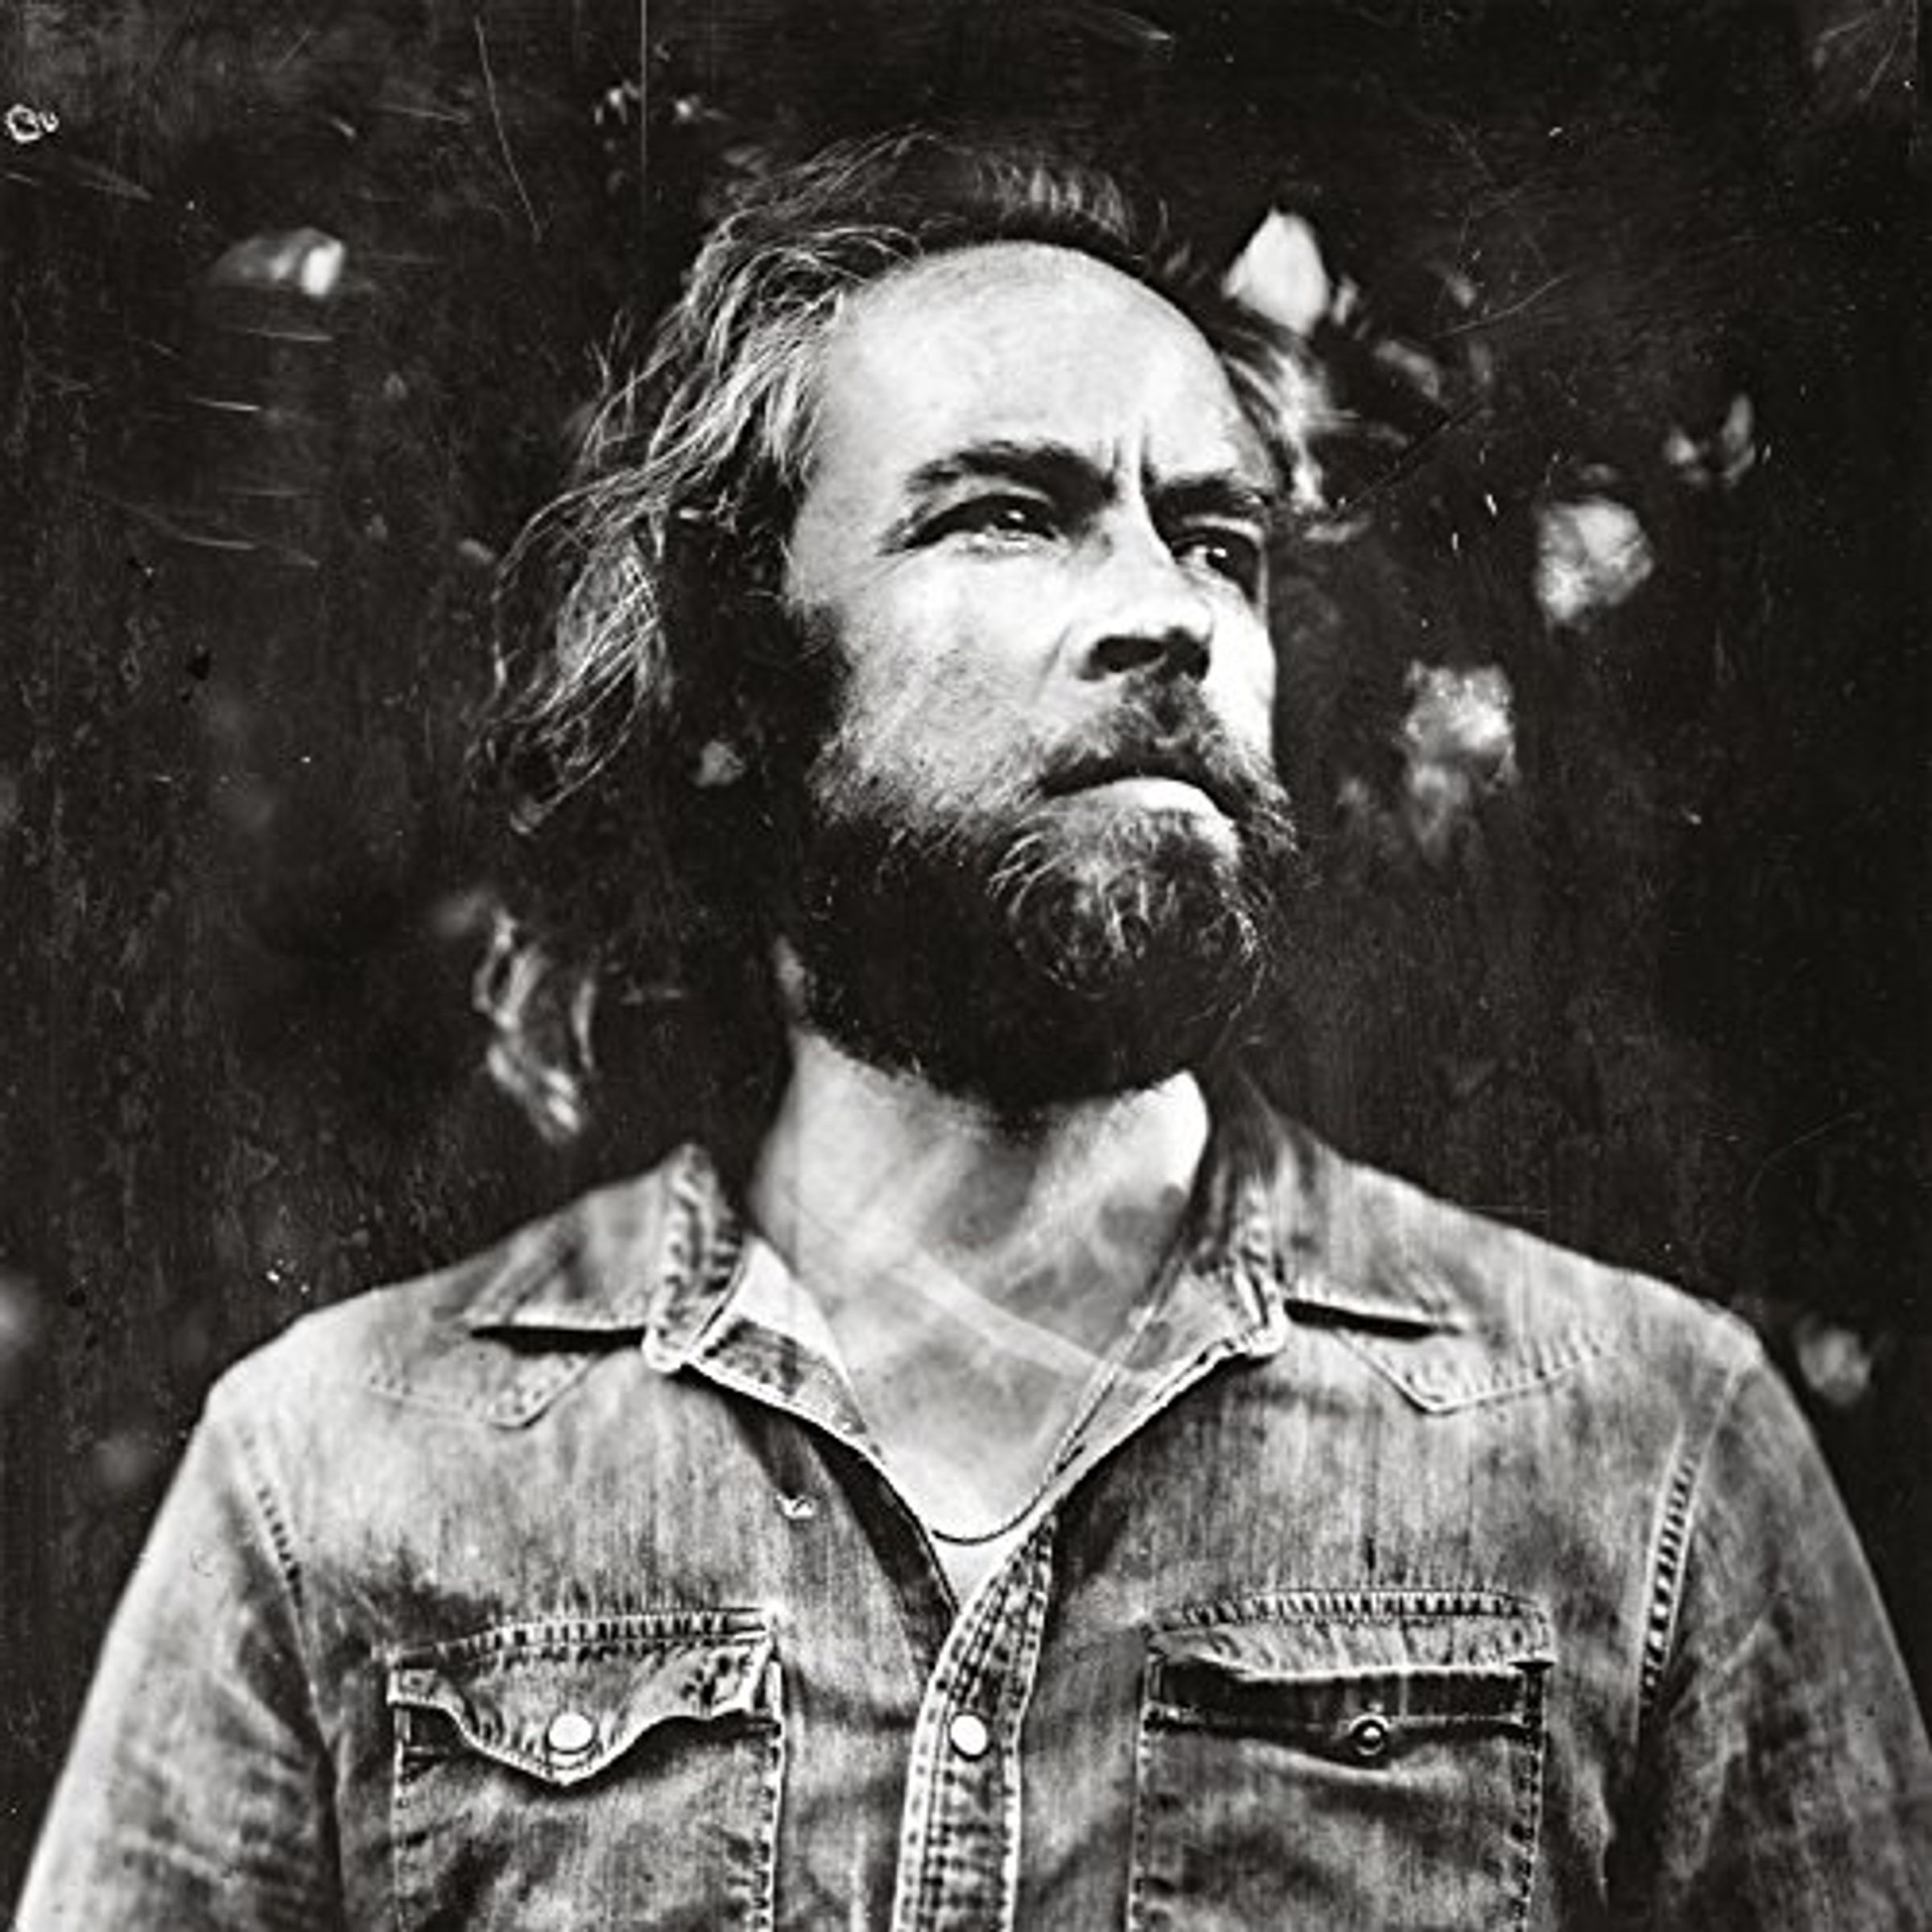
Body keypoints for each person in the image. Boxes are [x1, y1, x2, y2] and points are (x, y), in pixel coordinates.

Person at [18, 130, 1930, 1930]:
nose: (1170, 614)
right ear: (735, 683)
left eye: (1220, 542)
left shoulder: (1641, 1448)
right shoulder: (340, 1468)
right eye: (1011, 514)